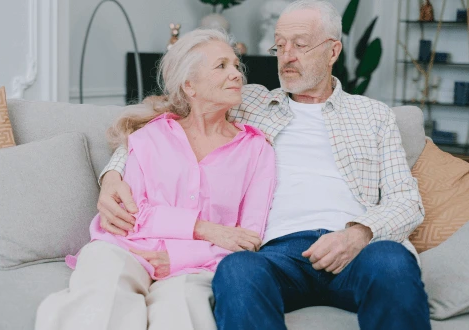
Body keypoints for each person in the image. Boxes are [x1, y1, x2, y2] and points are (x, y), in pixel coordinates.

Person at [98, 1, 431, 330]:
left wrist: (357, 234)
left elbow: (406, 200)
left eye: (300, 45)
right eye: (280, 46)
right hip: (276, 253)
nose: (286, 56)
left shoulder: (373, 115)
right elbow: (168, 124)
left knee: (392, 261)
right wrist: (113, 174)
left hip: (356, 249)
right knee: (238, 270)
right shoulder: (249, 102)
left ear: (333, 51)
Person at [34, 29, 276, 330]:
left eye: (236, 66)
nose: (237, 74)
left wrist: (178, 255)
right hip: (123, 248)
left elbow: (247, 238)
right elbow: (130, 214)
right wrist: (204, 228)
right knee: (103, 300)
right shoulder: (150, 136)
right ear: (190, 85)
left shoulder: (257, 150)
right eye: (221, 66)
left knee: (182, 309)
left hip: (199, 264)